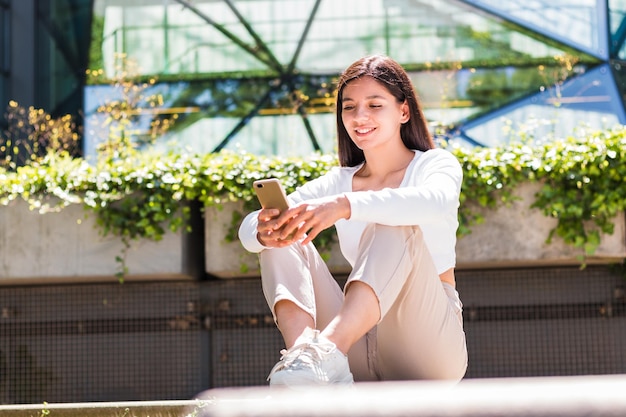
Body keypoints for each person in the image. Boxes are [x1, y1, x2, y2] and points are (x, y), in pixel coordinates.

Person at [238, 54, 468, 387]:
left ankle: (328, 349)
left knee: (394, 219)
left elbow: (435, 201)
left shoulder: (434, 165)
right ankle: (305, 359)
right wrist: (261, 230)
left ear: (403, 111)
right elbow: (248, 230)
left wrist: (345, 206)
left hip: (428, 346)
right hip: (358, 344)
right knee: (281, 227)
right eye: (349, 107)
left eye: (375, 105)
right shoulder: (338, 181)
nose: (360, 117)